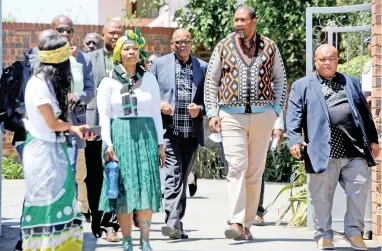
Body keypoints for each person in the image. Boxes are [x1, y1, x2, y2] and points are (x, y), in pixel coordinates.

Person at [204, 5, 287, 240]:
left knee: (255, 171)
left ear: (254, 21)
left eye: (243, 20)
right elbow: (211, 81)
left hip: (263, 116)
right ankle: (236, 221)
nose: (238, 24)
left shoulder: (269, 46)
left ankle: (247, 223)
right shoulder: (223, 46)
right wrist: (213, 112)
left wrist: (276, 112)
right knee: (237, 166)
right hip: (231, 115)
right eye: (236, 20)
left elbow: (280, 79)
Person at [287, 44, 379, 250]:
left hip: (353, 149)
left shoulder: (351, 82)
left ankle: (354, 232)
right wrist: (293, 139)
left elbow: (365, 114)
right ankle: (323, 235)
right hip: (322, 151)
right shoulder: (303, 85)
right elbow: (294, 115)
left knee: (360, 186)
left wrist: (373, 140)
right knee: (321, 196)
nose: (327, 62)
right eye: (322, 59)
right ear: (315, 61)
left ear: (338, 60)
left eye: (332, 58)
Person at [21, 31, 93, 251]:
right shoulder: (39, 85)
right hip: (43, 154)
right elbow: (52, 124)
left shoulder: (47, 83)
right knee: (47, 210)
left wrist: (74, 129)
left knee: (60, 206)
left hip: (53, 151)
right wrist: (73, 127)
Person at [97, 28, 165, 251]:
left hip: (146, 136)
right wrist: (109, 144)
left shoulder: (149, 79)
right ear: (118, 53)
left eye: (135, 48)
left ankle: (145, 241)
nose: (132, 52)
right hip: (120, 136)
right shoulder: (108, 83)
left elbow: (155, 112)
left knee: (146, 187)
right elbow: (105, 116)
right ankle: (127, 241)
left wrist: (160, 144)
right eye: (127, 48)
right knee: (123, 191)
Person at [150, 28, 208, 239]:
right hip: (170, 132)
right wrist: (159, 104)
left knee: (182, 180)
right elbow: (148, 95)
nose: (183, 45)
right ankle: (172, 223)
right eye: (178, 42)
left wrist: (200, 110)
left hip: (191, 134)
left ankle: (176, 223)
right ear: (172, 44)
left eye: (186, 41)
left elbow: (210, 101)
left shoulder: (202, 67)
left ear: (191, 43)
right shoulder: (159, 64)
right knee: (173, 177)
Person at [51, 15, 95, 223]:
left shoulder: (81, 59)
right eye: (61, 30)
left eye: (69, 30)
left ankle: (72, 212)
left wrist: (77, 97)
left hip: (76, 122)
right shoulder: (45, 56)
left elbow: (90, 89)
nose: (66, 34)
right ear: (53, 32)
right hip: (52, 123)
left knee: (75, 170)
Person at [86, 19, 123, 241]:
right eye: (111, 32)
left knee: (115, 173)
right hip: (94, 124)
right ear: (103, 34)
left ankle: (112, 225)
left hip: (118, 126)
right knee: (94, 177)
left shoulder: (128, 57)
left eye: (119, 32)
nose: (115, 36)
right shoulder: (89, 58)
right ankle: (96, 218)